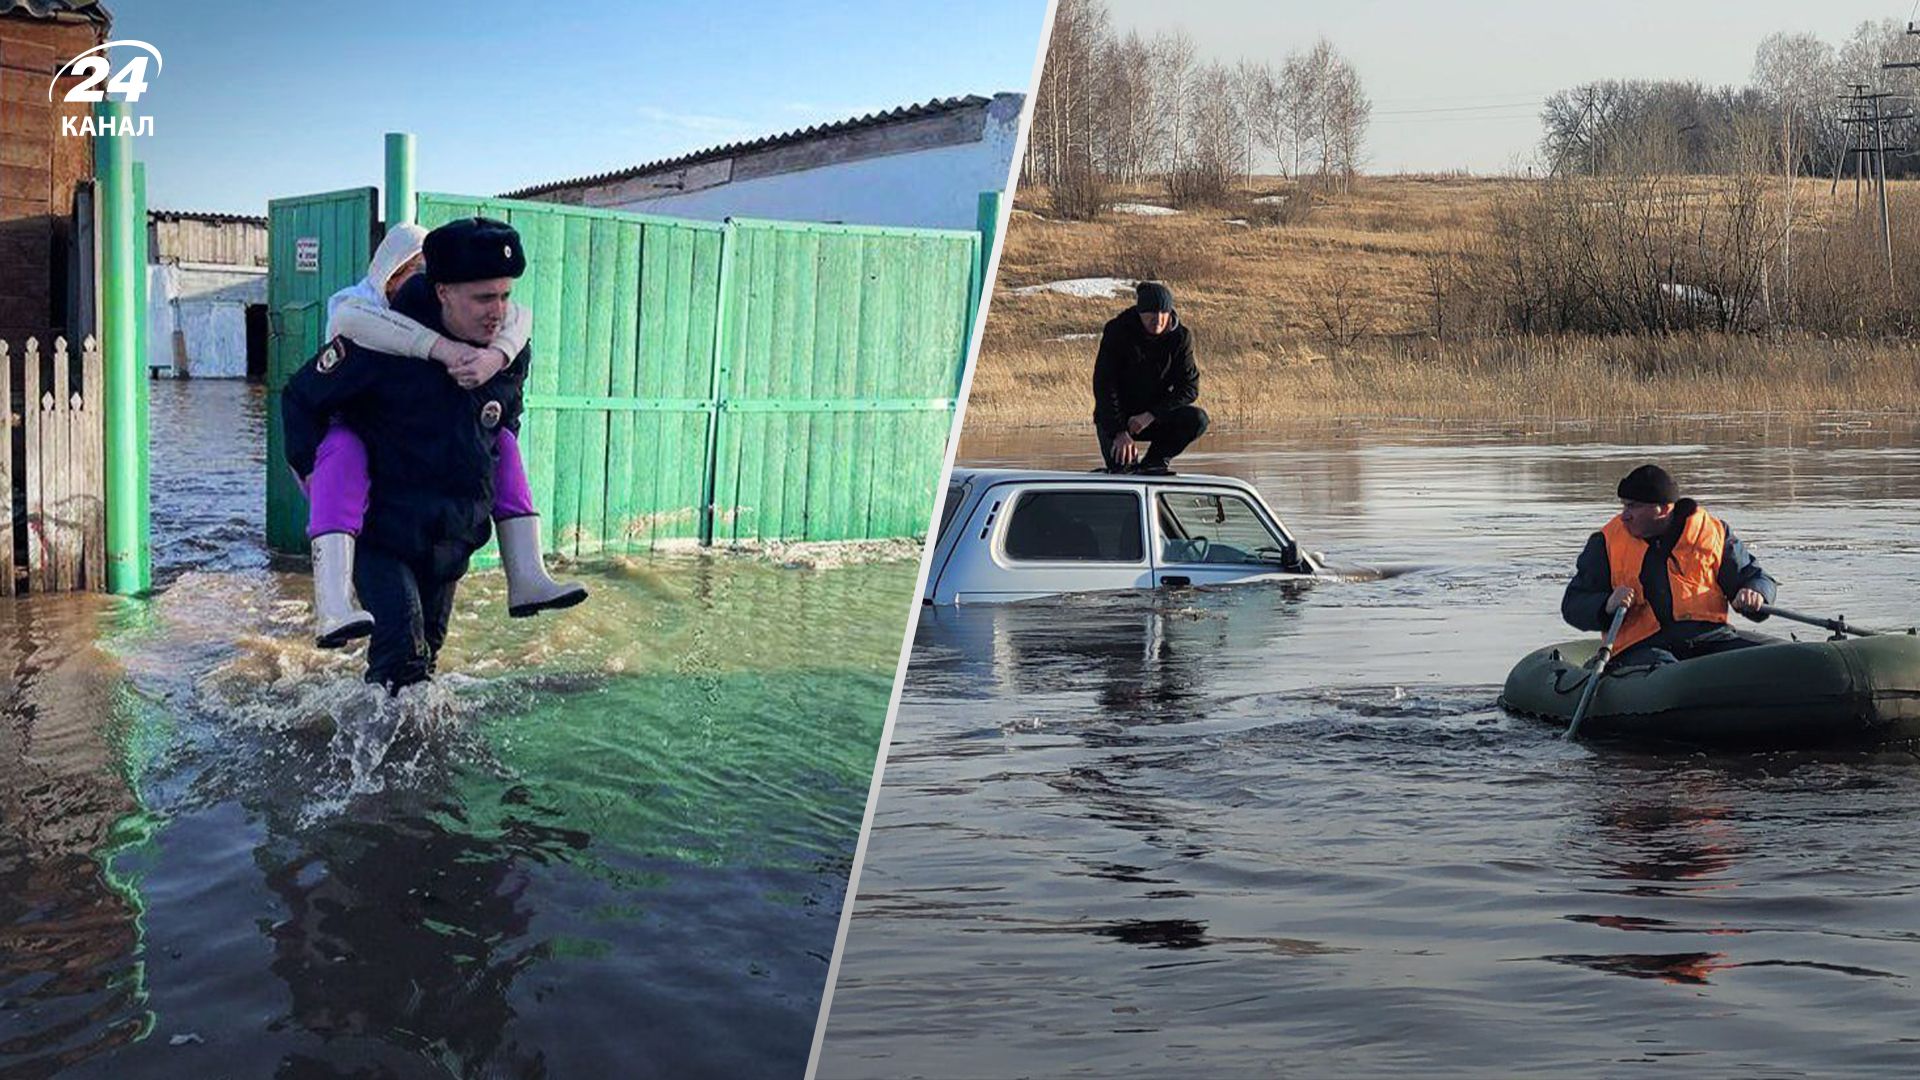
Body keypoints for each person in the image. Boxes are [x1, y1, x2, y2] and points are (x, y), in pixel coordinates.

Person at [283, 217, 543, 691]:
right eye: (484, 298)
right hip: (383, 529)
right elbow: (300, 397)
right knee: (401, 652)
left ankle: (401, 729)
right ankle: (366, 737)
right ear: (443, 292)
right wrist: (312, 472)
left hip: (450, 531)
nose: (498, 311)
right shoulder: (379, 341)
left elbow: (508, 415)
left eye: (505, 296)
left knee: (427, 656)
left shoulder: (508, 348)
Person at [1561, 464, 1777, 666]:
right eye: (1624, 506)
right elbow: (1573, 604)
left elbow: (1754, 576)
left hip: (1710, 639)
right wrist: (1606, 604)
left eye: (1633, 507)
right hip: (1641, 648)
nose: (1624, 516)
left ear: (1663, 509)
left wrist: (1755, 591)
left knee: (1767, 660)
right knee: (1665, 666)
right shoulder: (1606, 542)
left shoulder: (1712, 533)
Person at [1091, 281, 1208, 474]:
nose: (1158, 319)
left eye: (1163, 312)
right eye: (1151, 313)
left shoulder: (1180, 338)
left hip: (1155, 416)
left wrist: (1152, 414)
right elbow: (1104, 384)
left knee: (1197, 419)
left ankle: (1155, 462)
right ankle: (1120, 468)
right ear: (1140, 313)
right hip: (1118, 417)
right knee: (1123, 473)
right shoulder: (1118, 331)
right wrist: (1119, 432)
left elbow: (1189, 387)